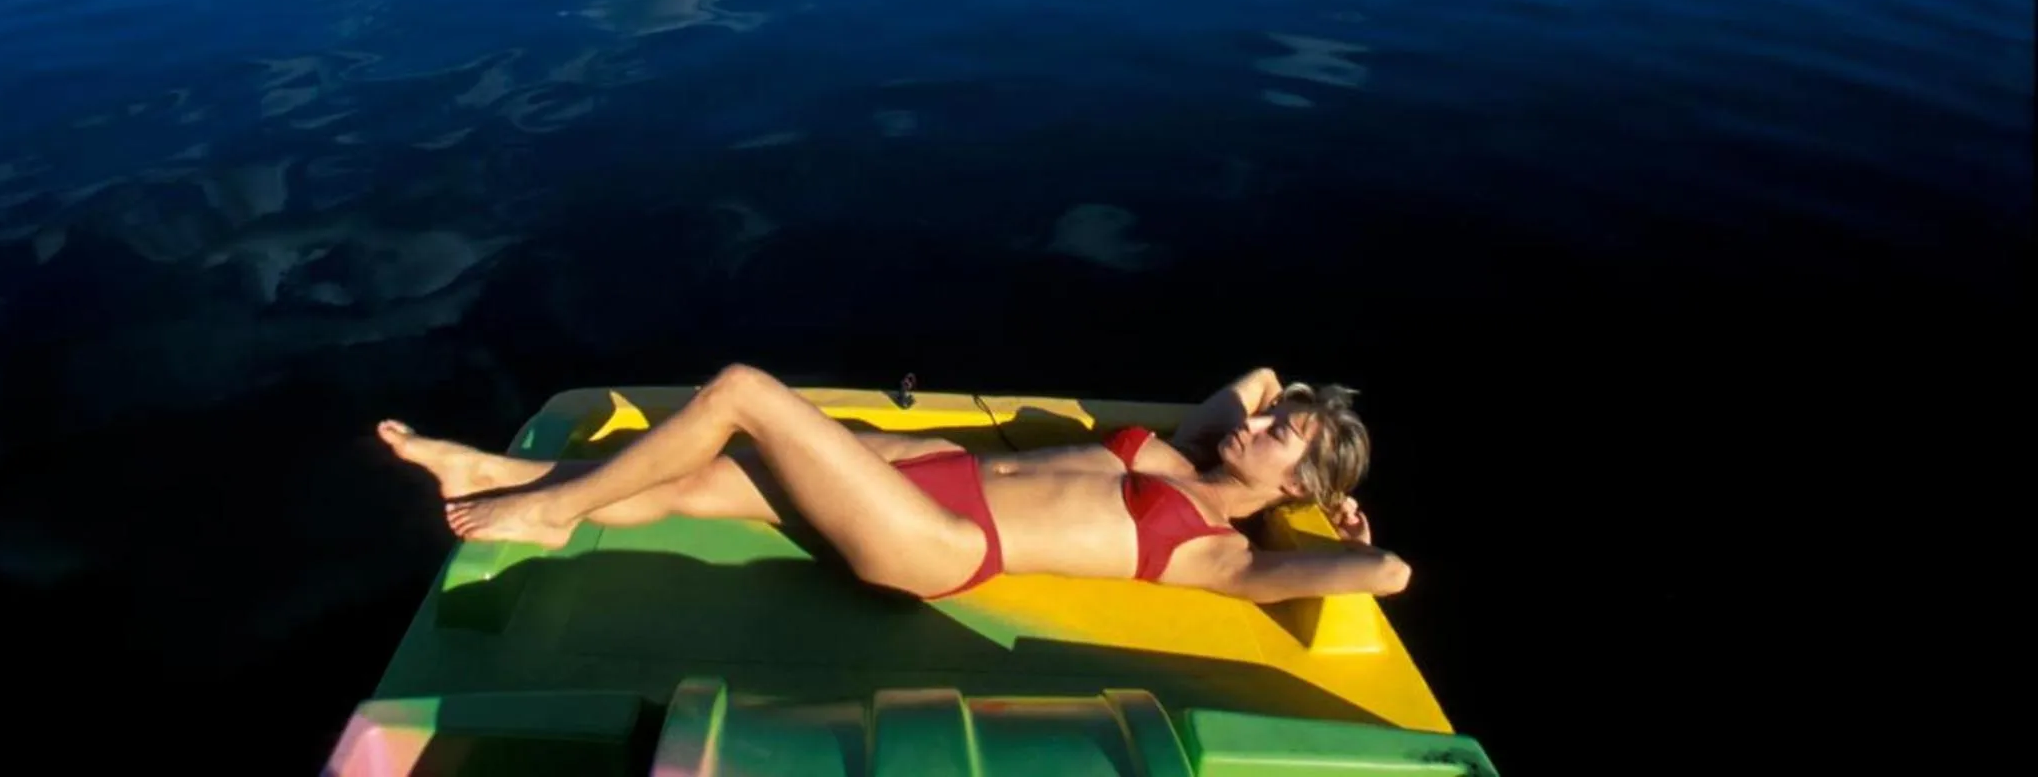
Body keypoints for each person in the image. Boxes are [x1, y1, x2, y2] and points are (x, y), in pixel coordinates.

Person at [378, 365, 1408, 604]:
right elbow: (1265, 371)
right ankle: (499, 469)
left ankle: (550, 509)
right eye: (1278, 419)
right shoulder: (1189, 446)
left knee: (741, 394)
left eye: (1285, 435)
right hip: (925, 473)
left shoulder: (1220, 551)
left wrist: (1331, 515)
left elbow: (1389, 570)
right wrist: (1297, 457)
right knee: (716, 478)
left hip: (940, 543)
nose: (1263, 421)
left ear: (1298, 480)